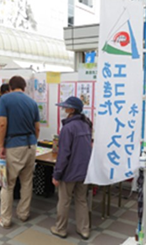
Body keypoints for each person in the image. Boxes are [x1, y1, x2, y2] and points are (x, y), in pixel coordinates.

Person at [0, 75, 40, 229]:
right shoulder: (32, 102)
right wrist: (33, 141)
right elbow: (37, 127)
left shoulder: (5, 99)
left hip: (13, 146)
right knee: (27, 182)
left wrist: (1, 145)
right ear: (24, 87)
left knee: (7, 184)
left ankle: (6, 219)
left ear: (10, 86)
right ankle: (23, 214)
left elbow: (2, 124)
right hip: (31, 146)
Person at [50, 96, 92, 240]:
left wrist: (56, 174)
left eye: (65, 107)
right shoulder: (86, 124)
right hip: (84, 171)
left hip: (69, 172)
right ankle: (84, 230)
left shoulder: (68, 128)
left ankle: (60, 228)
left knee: (64, 200)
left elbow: (63, 155)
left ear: (71, 110)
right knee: (81, 200)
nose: (63, 109)